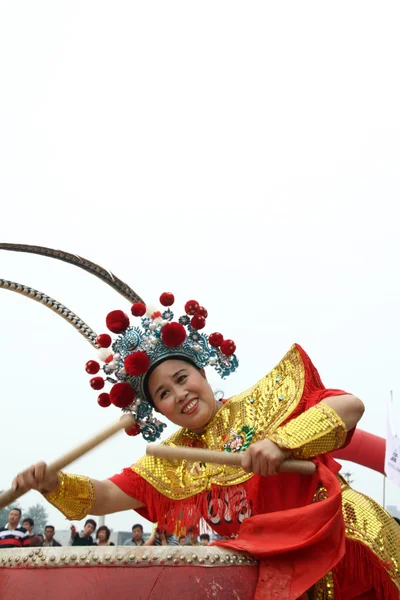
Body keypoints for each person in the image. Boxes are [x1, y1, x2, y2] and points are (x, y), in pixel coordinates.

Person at [11, 293, 400, 599]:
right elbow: (106, 496)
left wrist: (282, 442)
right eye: (164, 393)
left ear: (202, 371)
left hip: (344, 546)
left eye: (183, 377)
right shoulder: (171, 460)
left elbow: (349, 406)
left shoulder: (264, 402)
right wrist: (52, 483)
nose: (180, 394)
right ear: (157, 409)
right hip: (280, 573)